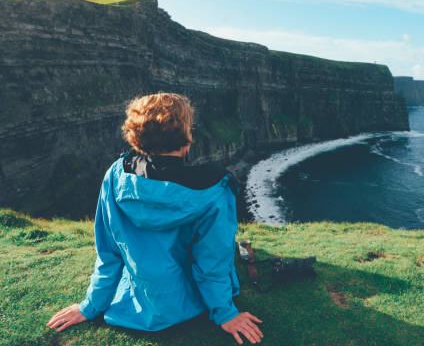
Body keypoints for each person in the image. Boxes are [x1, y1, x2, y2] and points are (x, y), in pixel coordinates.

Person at [46, 92, 263, 344]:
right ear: (186, 137)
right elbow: (211, 262)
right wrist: (225, 313)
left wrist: (90, 306)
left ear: (138, 137)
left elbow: (109, 253)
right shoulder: (214, 189)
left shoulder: (116, 175)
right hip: (190, 303)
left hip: (140, 299)